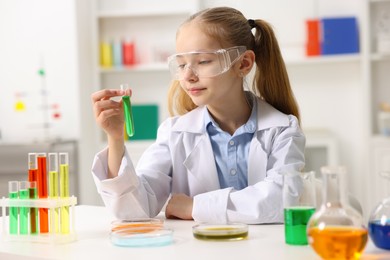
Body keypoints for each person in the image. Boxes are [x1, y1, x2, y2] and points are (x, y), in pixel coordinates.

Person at [91, 6, 305, 224]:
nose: (188, 76)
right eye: (182, 64)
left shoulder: (282, 129)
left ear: (243, 63)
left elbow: (282, 199)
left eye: (203, 61)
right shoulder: (174, 134)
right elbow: (135, 209)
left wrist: (194, 207)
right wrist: (116, 138)